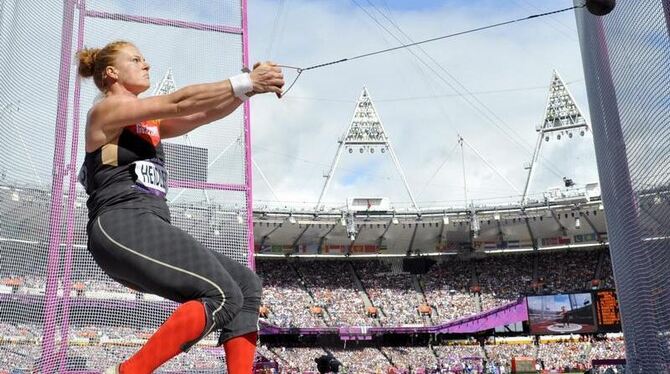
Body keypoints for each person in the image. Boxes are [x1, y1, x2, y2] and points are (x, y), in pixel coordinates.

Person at [76, 40, 284, 373]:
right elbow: (178, 101)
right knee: (222, 294)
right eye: (136, 59)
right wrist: (246, 81)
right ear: (112, 73)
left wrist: (247, 90)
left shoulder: (147, 124)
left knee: (246, 285)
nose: (147, 64)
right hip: (120, 225)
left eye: (145, 58)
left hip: (148, 225)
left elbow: (200, 114)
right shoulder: (105, 111)